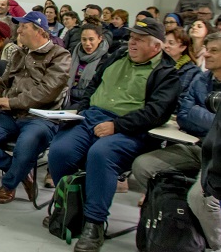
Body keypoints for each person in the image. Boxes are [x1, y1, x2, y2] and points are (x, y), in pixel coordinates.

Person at [48, 18, 179, 252]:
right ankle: (69, 207)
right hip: (92, 117)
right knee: (60, 150)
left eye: (139, 40)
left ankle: (94, 224)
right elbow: (93, 85)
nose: (132, 43)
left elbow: (156, 113)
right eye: (131, 38)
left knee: (101, 154)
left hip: (131, 129)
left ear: (156, 47)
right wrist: (82, 109)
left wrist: (117, 126)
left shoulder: (166, 74)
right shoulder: (117, 56)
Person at [0, 11, 71, 204]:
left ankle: (9, 184)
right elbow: (3, 83)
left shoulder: (60, 56)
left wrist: (12, 102)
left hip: (40, 118)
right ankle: (20, 173)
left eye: (24, 26)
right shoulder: (18, 54)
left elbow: (47, 91)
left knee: (25, 147)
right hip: (11, 114)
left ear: (39, 31)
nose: (19, 30)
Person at [131, 32, 218, 249]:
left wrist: (201, 116)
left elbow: (199, 117)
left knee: (201, 197)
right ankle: (180, 228)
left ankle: (217, 243)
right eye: (206, 48)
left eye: (214, 50)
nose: (206, 53)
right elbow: (185, 115)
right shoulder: (202, 79)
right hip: (197, 147)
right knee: (143, 166)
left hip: (219, 155)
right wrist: (213, 120)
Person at [64, 23, 109, 109]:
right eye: (84, 39)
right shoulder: (73, 53)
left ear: (100, 39)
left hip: (87, 101)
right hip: (66, 97)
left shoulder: (106, 60)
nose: (87, 43)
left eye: (91, 39)